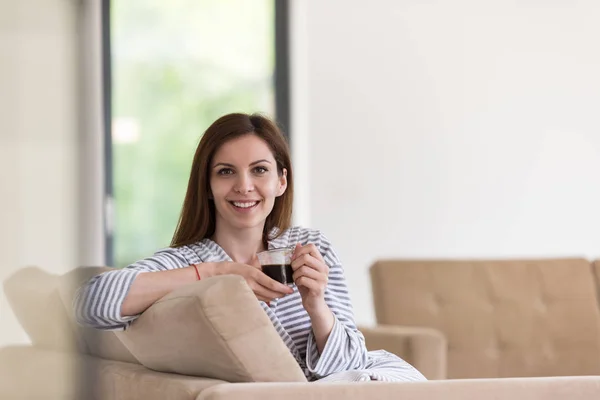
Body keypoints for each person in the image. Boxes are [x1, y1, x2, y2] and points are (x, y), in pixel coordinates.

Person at [74, 112, 426, 382]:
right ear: (207, 185)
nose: (244, 186)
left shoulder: (310, 246)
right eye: (226, 172)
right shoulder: (188, 262)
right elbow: (90, 302)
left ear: (281, 181)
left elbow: (349, 366)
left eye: (259, 170)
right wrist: (216, 273)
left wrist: (317, 305)